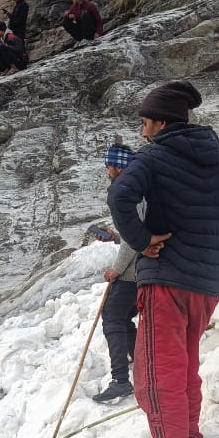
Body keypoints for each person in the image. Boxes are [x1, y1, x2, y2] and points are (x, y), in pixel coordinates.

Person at [109, 80, 219, 438]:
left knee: (156, 376)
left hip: (166, 280)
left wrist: (142, 241)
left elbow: (119, 197)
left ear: (161, 123)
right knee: (184, 366)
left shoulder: (153, 158)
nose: (142, 132)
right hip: (206, 284)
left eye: (145, 123)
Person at [93, 145, 140, 404]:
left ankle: (120, 380)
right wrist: (114, 237)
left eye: (109, 166)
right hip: (141, 267)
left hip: (133, 271)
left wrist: (117, 269)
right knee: (123, 318)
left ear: (119, 167)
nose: (107, 171)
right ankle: (140, 363)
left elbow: (135, 239)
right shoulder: (138, 190)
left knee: (112, 316)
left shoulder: (129, 194)